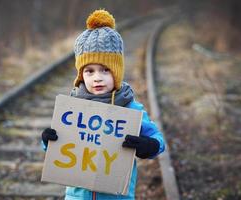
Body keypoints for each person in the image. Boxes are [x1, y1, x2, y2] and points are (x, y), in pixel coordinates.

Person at [41, 9, 165, 200]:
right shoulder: (73, 109)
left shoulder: (130, 109)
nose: (97, 78)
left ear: (116, 72)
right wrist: (48, 141)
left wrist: (148, 145)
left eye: (105, 70)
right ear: (81, 74)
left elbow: (158, 140)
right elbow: (61, 149)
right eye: (89, 71)